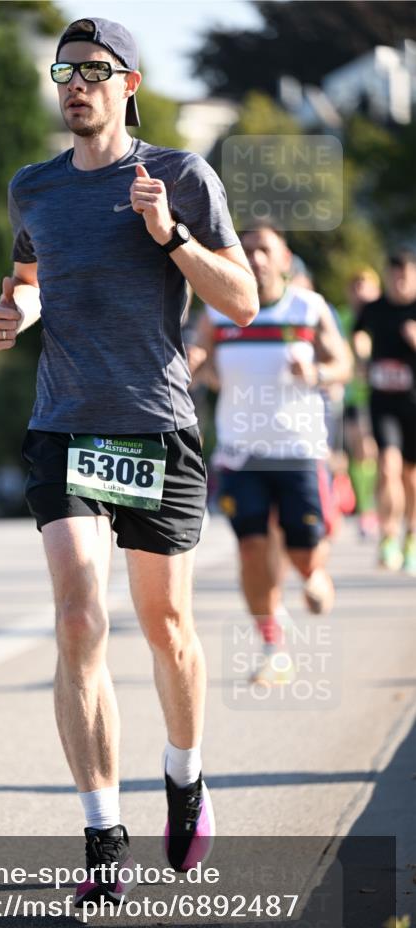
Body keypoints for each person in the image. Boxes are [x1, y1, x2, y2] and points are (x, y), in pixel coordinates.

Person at [0, 17, 258, 904]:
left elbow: (243, 301)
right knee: (76, 619)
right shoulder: (34, 188)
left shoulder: (179, 174)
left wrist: (171, 236)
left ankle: (184, 774)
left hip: (154, 427)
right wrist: (12, 318)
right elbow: (25, 283)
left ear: (128, 83)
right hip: (65, 425)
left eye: (95, 71)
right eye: (65, 70)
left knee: (166, 631)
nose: (77, 85)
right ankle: (102, 830)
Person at [192, 223, 352, 683]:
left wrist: (318, 372)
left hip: (298, 450)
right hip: (240, 453)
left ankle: (312, 571)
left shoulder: (308, 307)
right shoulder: (220, 311)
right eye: (247, 250)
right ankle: (272, 645)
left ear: (284, 259)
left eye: (265, 250)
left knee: (303, 556)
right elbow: (198, 352)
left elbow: (343, 364)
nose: (256, 258)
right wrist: (193, 364)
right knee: (251, 547)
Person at [353, 250, 416, 573]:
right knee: (389, 467)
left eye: (406, 274)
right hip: (383, 402)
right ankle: (388, 536)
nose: (400, 280)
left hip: (413, 403)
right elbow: (358, 332)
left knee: (411, 477)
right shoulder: (375, 308)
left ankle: (411, 537)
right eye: (395, 274)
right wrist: (361, 353)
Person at [339, 268, 381, 538]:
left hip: (381, 395)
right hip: (351, 395)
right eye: (356, 286)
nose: (360, 292)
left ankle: (375, 506)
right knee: (359, 450)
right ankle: (367, 510)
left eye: (365, 286)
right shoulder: (342, 317)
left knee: (376, 455)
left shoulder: (383, 316)